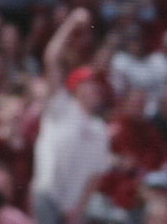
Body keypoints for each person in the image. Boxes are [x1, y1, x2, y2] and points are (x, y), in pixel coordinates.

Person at [33, 11, 111, 224]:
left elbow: (95, 175)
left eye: (98, 85)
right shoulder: (61, 106)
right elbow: (51, 57)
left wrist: (79, 209)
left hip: (72, 209)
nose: (96, 89)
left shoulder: (99, 128)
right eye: (90, 83)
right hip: (47, 195)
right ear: (76, 87)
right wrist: (71, 23)